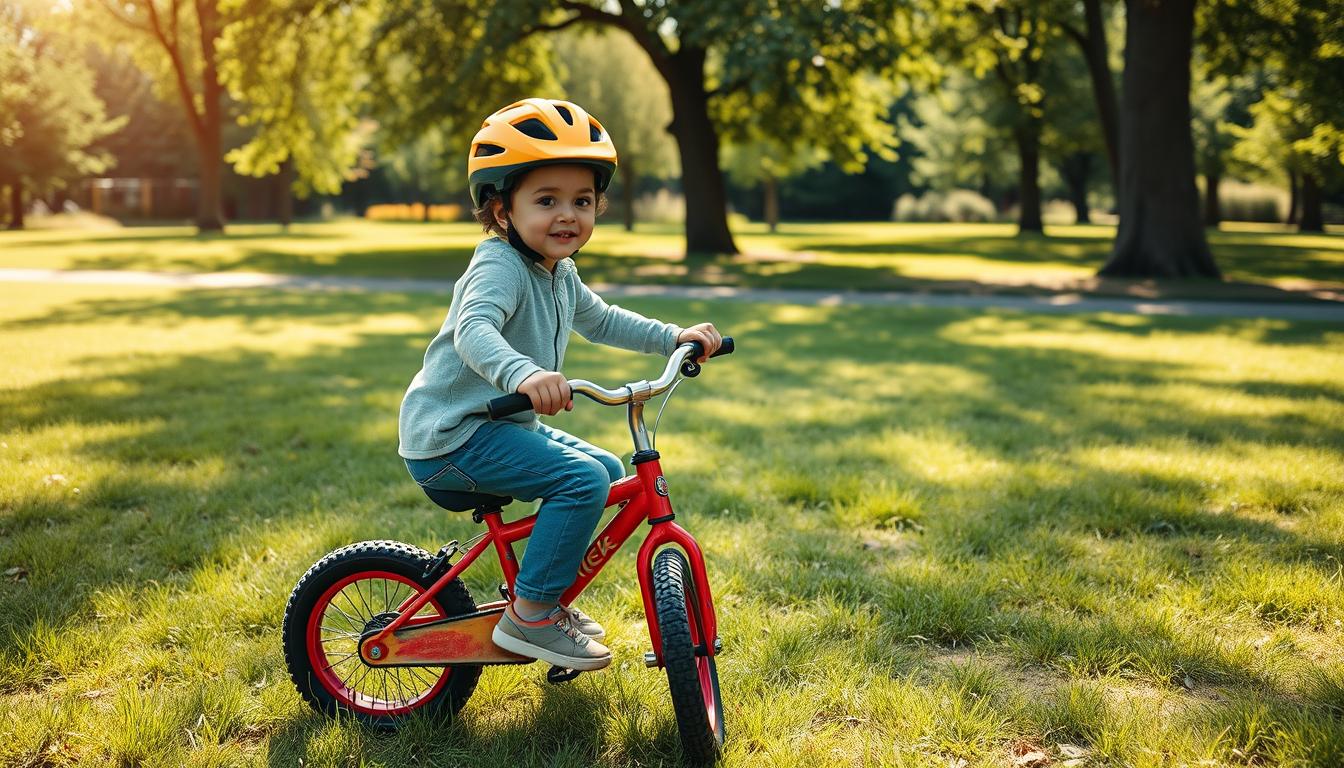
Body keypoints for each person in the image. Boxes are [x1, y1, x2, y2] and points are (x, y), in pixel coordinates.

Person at [398, 98, 721, 671]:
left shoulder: (559, 269)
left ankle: (538, 602)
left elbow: (602, 320)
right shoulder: (499, 265)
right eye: (546, 201)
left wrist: (674, 337)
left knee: (604, 471)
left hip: (494, 427)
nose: (567, 215)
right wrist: (524, 374)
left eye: (582, 201)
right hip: (451, 439)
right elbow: (474, 329)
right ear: (501, 211)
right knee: (578, 480)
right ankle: (530, 616)